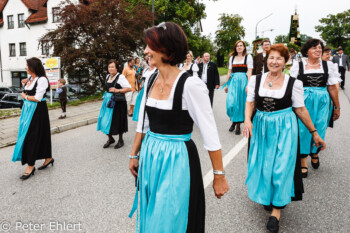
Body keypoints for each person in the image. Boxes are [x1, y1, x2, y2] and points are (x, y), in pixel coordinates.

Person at [128, 22, 229, 233]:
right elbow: (143, 123)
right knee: (152, 211)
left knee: (171, 218)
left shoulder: (191, 85)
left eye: (150, 46)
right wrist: (133, 155)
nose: (145, 51)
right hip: (151, 156)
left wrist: (219, 175)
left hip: (177, 159)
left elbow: (210, 134)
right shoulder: (150, 79)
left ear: (167, 48)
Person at [243, 44, 326, 233]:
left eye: (279, 58)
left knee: (281, 167)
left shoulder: (293, 83)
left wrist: (314, 132)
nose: (274, 61)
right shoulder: (256, 80)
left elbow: (300, 109)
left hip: (285, 128)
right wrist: (248, 120)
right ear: (266, 59)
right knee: (264, 165)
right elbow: (250, 102)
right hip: (261, 126)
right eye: (271, 57)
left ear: (286, 62)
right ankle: (268, 196)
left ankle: (276, 212)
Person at [290, 39, 341, 178]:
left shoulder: (328, 66)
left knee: (320, 127)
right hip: (303, 101)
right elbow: (292, 86)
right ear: (307, 51)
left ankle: (315, 152)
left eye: (320, 48)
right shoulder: (298, 66)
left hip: (323, 101)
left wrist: (337, 107)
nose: (318, 50)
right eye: (314, 48)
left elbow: (332, 87)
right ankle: (302, 159)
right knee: (303, 130)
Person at [12, 57, 53, 180]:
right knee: (38, 135)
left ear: (33, 67)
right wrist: (25, 84)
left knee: (31, 137)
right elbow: (30, 91)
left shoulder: (42, 80)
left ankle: (30, 165)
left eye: (27, 65)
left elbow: (37, 98)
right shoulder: (31, 78)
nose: (25, 67)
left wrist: (24, 96)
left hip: (37, 111)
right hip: (28, 110)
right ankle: (48, 158)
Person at [97, 59, 131, 149]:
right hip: (108, 102)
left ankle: (121, 140)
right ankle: (110, 138)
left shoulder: (120, 77)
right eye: (109, 67)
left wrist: (117, 90)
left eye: (112, 67)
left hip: (118, 102)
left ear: (116, 68)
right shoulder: (108, 76)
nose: (111, 68)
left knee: (118, 121)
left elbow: (129, 88)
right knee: (104, 120)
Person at [224, 40, 253, 135]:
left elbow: (249, 72)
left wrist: (248, 84)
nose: (239, 47)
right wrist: (227, 84)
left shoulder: (248, 57)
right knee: (231, 103)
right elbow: (229, 72)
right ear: (235, 48)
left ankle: (237, 125)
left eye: (241, 45)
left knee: (240, 104)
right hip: (233, 82)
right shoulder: (232, 58)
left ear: (244, 47)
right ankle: (233, 120)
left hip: (243, 82)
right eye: (237, 46)